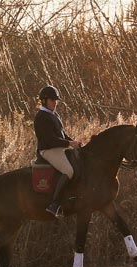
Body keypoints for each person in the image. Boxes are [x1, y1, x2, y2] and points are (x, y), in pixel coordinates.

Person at [34, 85, 82, 217]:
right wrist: (69, 143)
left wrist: (74, 143)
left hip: (58, 147)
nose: (55, 103)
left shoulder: (54, 115)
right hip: (48, 150)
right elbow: (50, 140)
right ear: (44, 100)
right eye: (52, 100)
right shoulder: (41, 117)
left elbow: (63, 135)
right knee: (69, 171)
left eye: (56, 101)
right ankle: (54, 205)